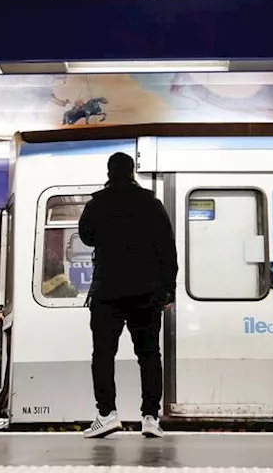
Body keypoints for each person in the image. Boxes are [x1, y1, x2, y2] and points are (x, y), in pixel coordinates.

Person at [77, 152, 178, 439]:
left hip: (107, 291)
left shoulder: (98, 203)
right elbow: (168, 251)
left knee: (104, 354)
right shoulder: (151, 204)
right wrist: (168, 291)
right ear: (132, 172)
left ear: (109, 172)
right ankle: (149, 417)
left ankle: (107, 414)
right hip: (146, 292)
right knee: (148, 355)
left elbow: (86, 235)